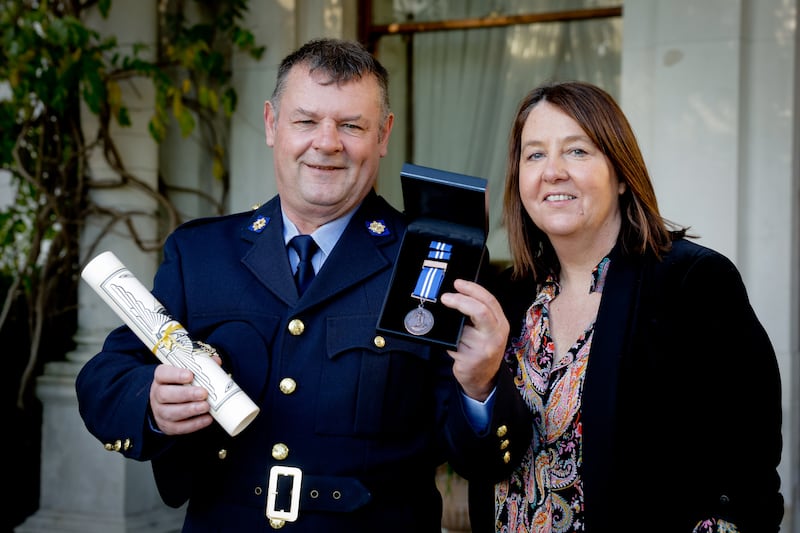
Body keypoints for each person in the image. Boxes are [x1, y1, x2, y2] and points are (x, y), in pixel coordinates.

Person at [75, 38, 531, 532]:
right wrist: (151, 404)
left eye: (352, 125)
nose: (328, 142)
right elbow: (105, 378)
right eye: (306, 121)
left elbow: (485, 461)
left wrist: (481, 385)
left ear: (383, 134)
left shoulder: (433, 262)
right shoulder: (199, 254)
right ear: (273, 124)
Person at [460, 81, 784, 532]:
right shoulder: (507, 296)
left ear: (622, 173)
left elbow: (747, 468)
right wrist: (477, 389)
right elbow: (474, 462)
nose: (552, 171)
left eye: (577, 151)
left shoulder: (692, 282)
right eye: (534, 155)